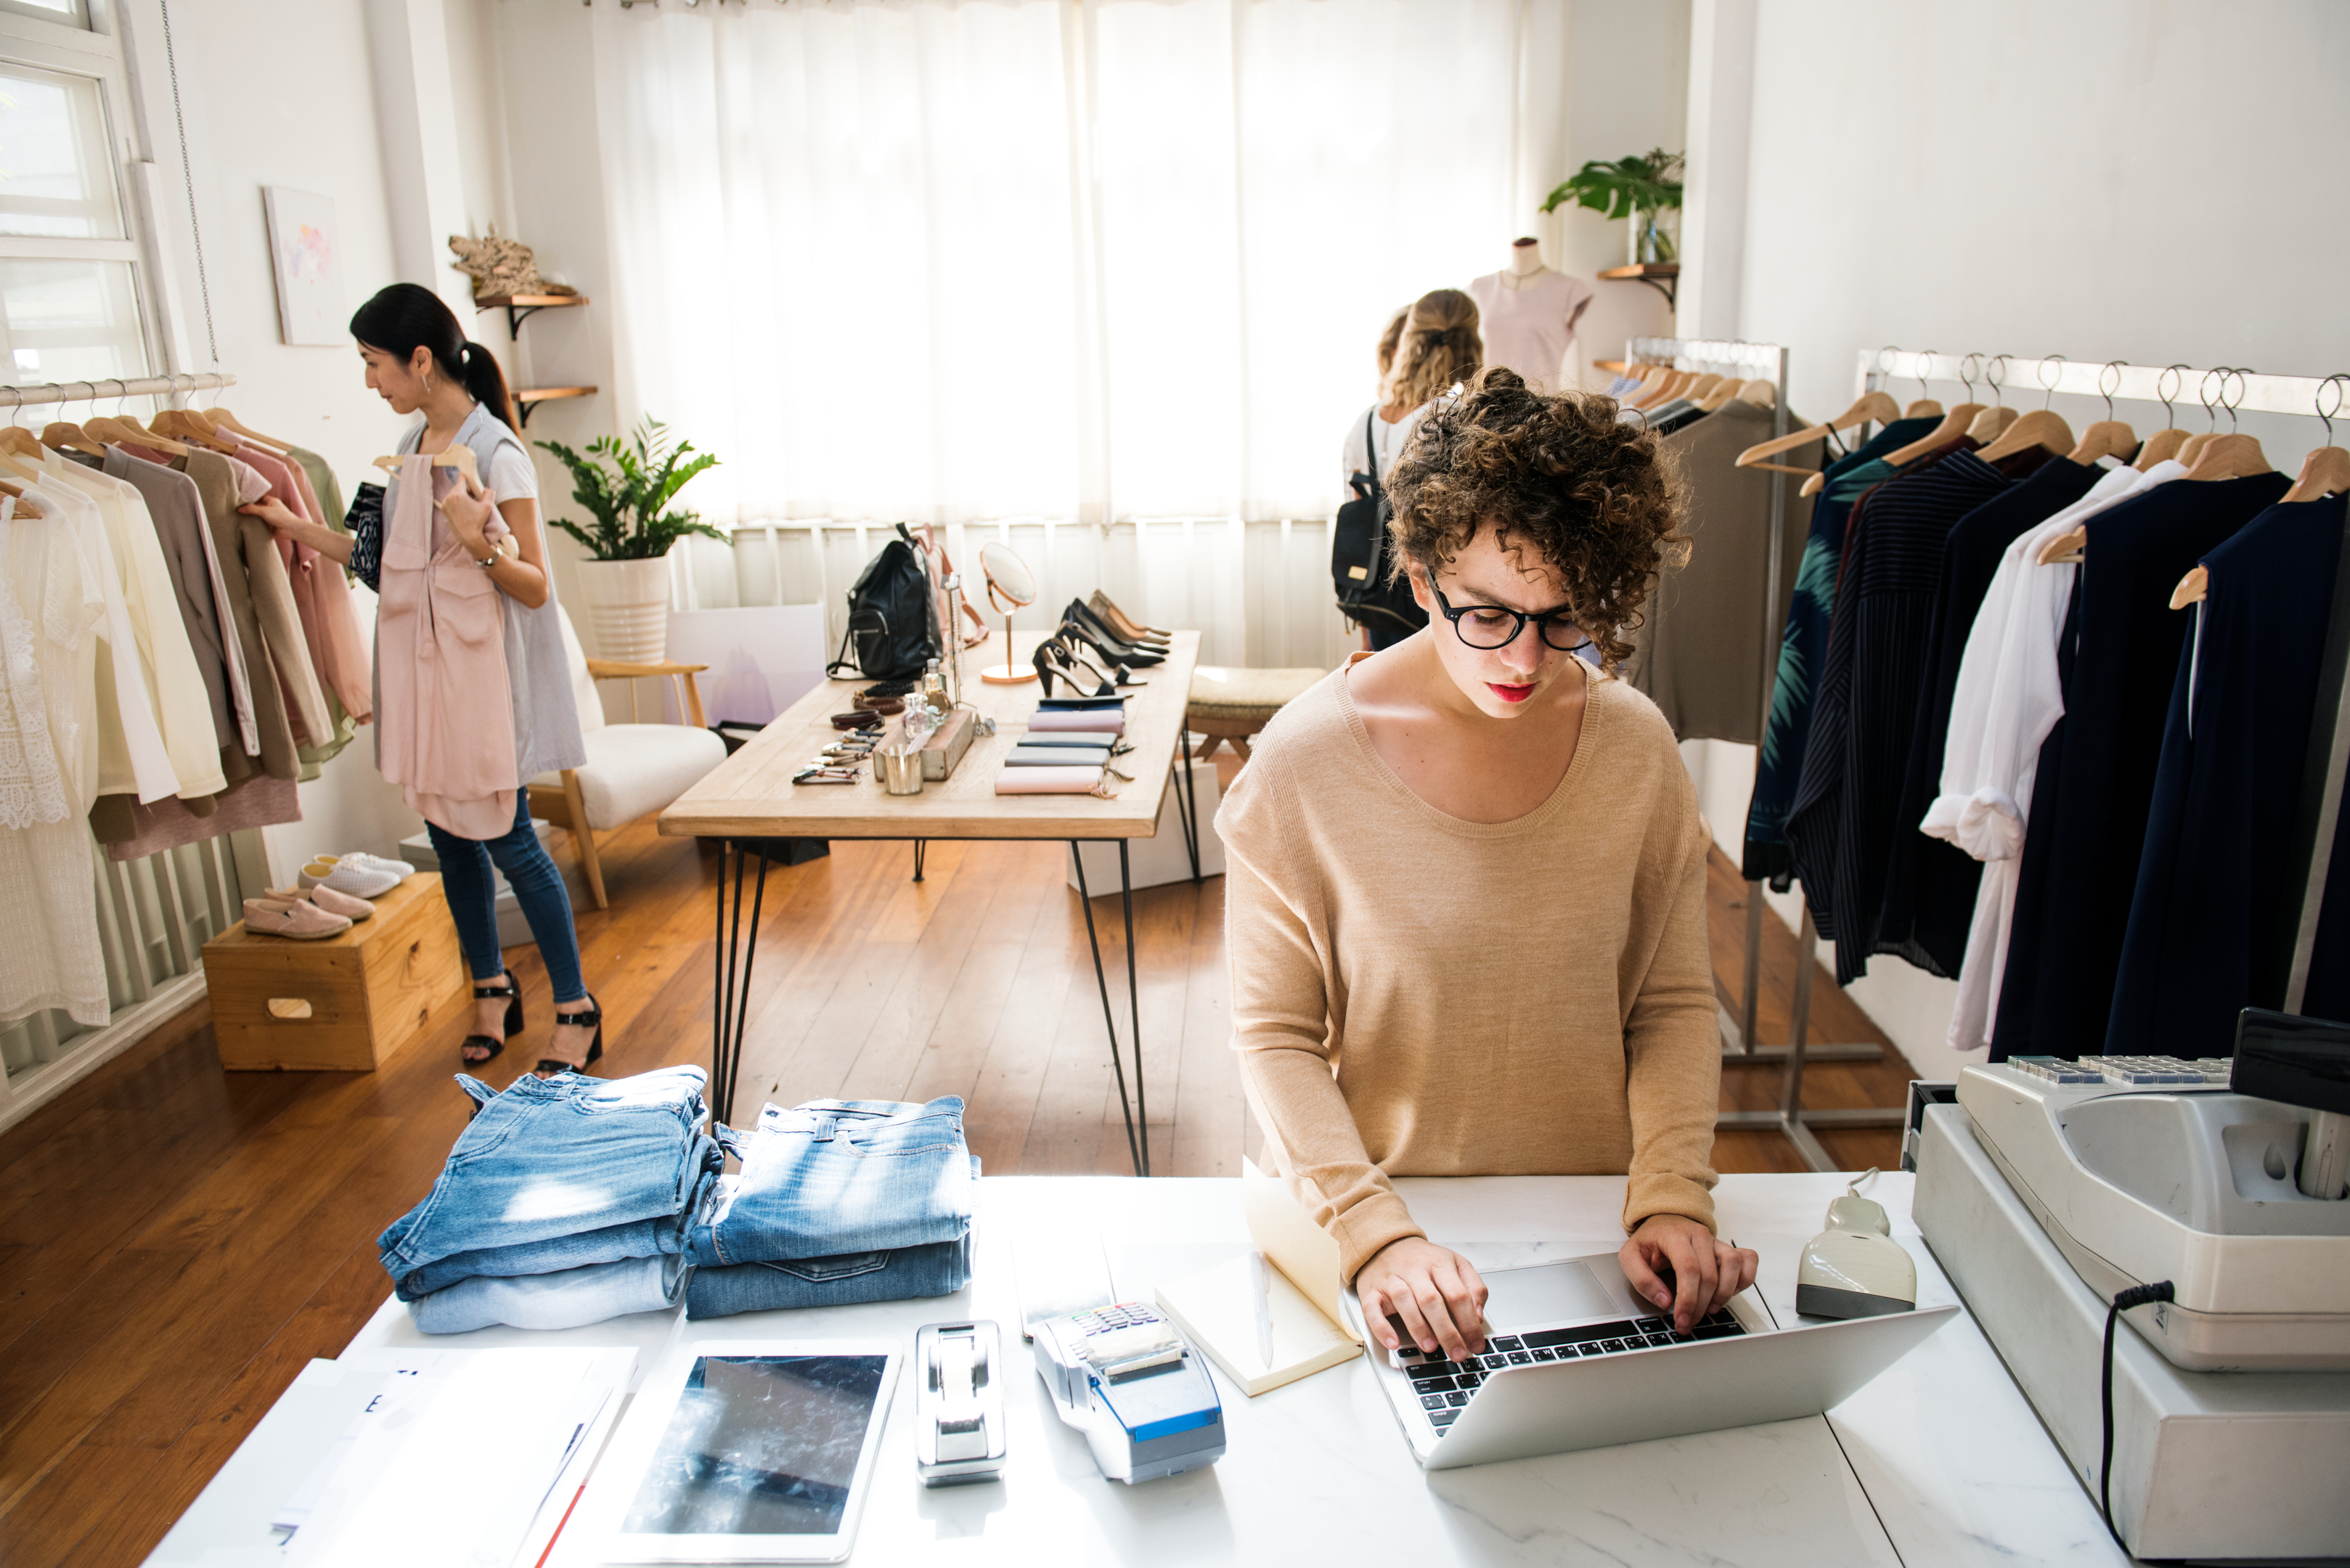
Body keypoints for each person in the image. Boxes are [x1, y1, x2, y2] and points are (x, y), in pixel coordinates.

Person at [1226, 366, 1753, 1365]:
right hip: (1386, 1230)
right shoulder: (1300, 765)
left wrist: (1673, 1198)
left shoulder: (1634, 748)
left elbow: (1673, 1004)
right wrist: (1371, 1234)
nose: (1523, 659)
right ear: (1421, 578)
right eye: (1488, 615)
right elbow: (1273, 1038)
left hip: (1603, 1235)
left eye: (1562, 619)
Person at [240, 283, 603, 1077]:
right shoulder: (409, 449)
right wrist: (293, 528)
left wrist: (478, 543)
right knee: (449, 837)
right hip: (425, 682)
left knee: (509, 840)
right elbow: (376, 562)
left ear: (421, 359)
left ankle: (576, 1005)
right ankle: (490, 988)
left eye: (375, 364)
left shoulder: (497, 453)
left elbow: (536, 586)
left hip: (481, 688)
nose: (371, 381)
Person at [1339, 290, 1483, 650]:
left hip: (1377, 592)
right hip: (1433, 595)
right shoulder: (1454, 417)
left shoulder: (1367, 420)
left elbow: (1359, 516)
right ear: (1472, 343)